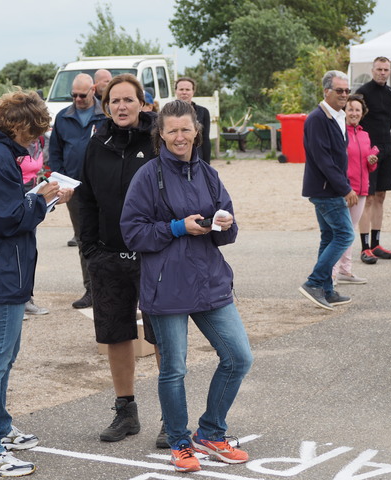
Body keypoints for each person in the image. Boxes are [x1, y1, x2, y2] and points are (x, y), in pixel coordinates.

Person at [120, 100, 253, 473]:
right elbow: (132, 232)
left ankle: (211, 431)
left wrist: (225, 225)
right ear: (160, 134)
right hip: (167, 288)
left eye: (185, 129)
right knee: (174, 369)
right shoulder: (147, 175)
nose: (180, 137)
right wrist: (178, 227)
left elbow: (229, 230)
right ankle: (180, 441)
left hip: (210, 282)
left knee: (239, 357)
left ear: (197, 130)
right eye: (172, 130)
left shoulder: (209, 174)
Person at [0, 88, 73, 476]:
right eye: (33, 133)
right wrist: (42, 200)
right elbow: (7, 219)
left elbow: (0, 209)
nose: (35, 141)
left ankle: (0, 430)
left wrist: (37, 195)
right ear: (17, 125)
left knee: (2, 357)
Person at [79, 73, 162, 445]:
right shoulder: (98, 143)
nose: (122, 106)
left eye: (129, 100)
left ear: (143, 104)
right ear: (106, 106)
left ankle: (172, 418)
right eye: (115, 101)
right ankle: (126, 412)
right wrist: (90, 248)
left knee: (162, 336)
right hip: (108, 256)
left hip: (154, 255)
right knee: (116, 334)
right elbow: (86, 198)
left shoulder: (158, 140)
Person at [299, 71, 356, 311]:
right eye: (339, 90)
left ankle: (327, 290)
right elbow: (323, 159)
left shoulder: (336, 117)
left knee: (330, 237)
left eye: (346, 90)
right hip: (327, 190)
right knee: (345, 235)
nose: (344, 95)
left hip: (329, 188)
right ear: (326, 92)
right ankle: (313, 283)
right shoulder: (317, 119)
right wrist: (345, 188)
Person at [49, 73, 106, 309]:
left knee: (110, 237)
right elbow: (55, 152)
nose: (78, 99)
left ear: (93, 90)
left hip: (104, 187)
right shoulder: (63, 117)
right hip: (74, 189)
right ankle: (91, 290)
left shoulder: (106, 115)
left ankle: (112, 288)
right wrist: (62, 180)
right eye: (74, 95)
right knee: (84, 239)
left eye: (82, 94)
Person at [356, 57, 391, 264]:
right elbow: (359, 122)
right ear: (372, 70)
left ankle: (376, 243)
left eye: (386, 69)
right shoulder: (363, 92)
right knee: (368, 197)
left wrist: (384, 147)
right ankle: (365, 248)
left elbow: (388, 121)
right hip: (368, 151)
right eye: (379, 69)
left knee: (381, 196)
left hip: (386, 149)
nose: (383, 73)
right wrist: (365, 148)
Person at [332, 95, 378, 285]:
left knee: (349, 231)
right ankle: (332, 273)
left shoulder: (364, 135)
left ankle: (345, 270)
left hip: (361, 190)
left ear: (362, 113)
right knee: (338, 232)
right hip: (344, 190)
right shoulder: (339, 133)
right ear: (344, 111)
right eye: (350, 109)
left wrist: (372, 161)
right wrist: (343, 187)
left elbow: (368, 166)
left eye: (357, 110)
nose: (354, 113)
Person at [17, 136, 50, 318]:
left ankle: (26, 298)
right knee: (17, 250)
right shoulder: (15, 141)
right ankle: (15, 301)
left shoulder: (41, 141)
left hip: (32, 192)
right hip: (15, 194)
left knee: (30, 250)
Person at [175, 77, 211, 163]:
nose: (184, 92)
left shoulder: (203, 112)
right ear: (176, 91)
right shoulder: (167, 112)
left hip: (197, 158)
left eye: (187, 89)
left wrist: (207, 164)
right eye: (181, 89)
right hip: (174, 157)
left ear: (193, 92)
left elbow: (205, 139)